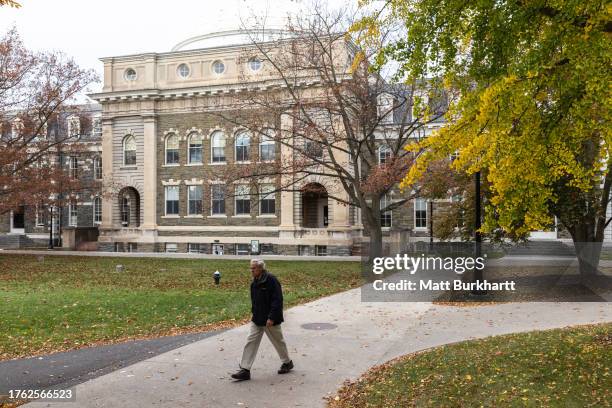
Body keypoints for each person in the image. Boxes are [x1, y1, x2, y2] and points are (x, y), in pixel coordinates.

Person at [231, 259, 293, 381]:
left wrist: (272, 317)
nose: (251, 270)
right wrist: (254, 314)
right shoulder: (254, 283)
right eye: (251, 268)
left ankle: (287, 362)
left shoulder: (271, 280)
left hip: (270, 320)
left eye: (253, 268)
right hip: (257, 319)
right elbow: (255, 301)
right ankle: (245, 369)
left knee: (278, 341)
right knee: (251, 341)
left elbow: (277, 300)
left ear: (260, 268)